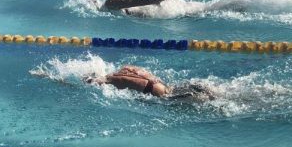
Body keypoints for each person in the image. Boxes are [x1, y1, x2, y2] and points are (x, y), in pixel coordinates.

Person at [85, 65, 214, 101]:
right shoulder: (126, 68)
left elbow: (94, 81)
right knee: (204, 90)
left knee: (194, 98)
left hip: (159, 94)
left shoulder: (110, 79)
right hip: (164, 85)